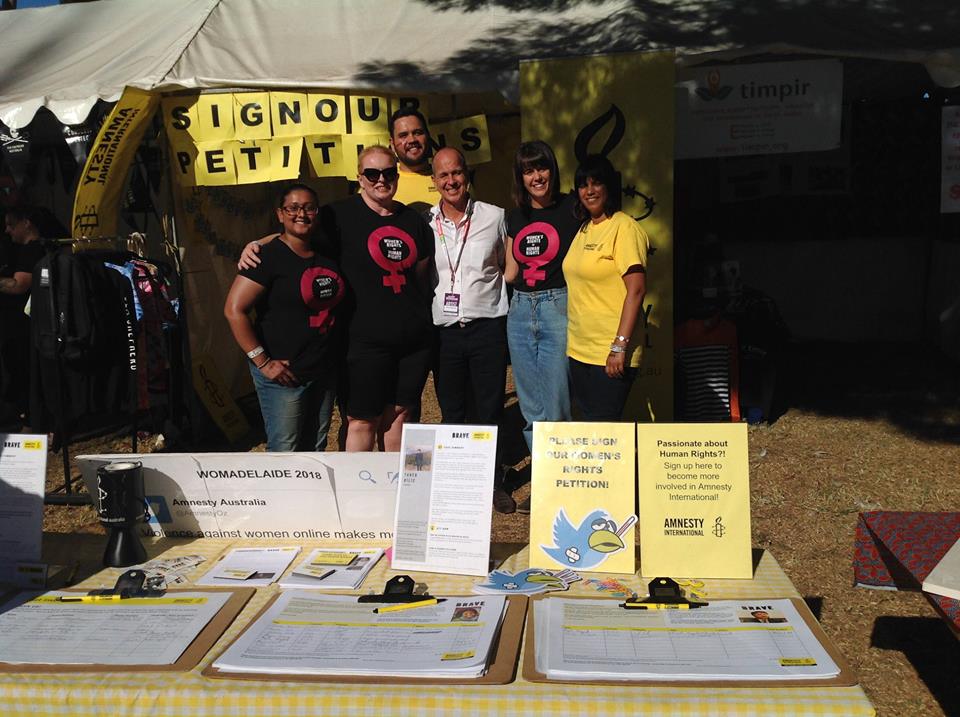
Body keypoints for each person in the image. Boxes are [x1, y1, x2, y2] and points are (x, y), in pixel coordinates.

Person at [325, 145, 434, 451]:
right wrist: (257, 242)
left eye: (388, 173)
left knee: (399, 414)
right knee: (361, 419)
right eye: (372, 174)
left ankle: (393, 491)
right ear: (360, 178)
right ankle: (358, 495)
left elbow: (422, 275)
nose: (381, 180)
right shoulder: (337, 215)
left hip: (411, 341)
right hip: (363, 341)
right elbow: (295, 232)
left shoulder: (412, 219)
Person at [224, 184, 345, 451]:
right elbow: (234, 310)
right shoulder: (265, 258)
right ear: (280, 214)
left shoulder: (326, 251)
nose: (301, 214)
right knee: (284, 451)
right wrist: (262, 361)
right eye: (293, 208)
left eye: (309, 208)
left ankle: (311, 495)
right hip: (284, 375)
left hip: (322, 370)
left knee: (315, 447)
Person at [427, 148, 512, 509]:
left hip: (487, 327)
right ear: (434, 180)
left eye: (457, 173)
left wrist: (493, 291)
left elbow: (511, 265)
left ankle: (493, 483)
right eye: (443, 175)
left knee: (490, 409)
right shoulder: (424, 222)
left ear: (467, 174)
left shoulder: (494, 216)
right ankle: (457, 482)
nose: (451, 181)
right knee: (453, 410)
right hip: (444, 332)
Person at [503, 141, 580, 459]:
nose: (536, 176)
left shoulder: (573, 208)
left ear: (553, 170)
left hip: (557, 307)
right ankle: (544, 480)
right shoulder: (514, 215)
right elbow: (509, 273)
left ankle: (564, 478)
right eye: (528, 170)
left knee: (557, 400)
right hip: (519, 310)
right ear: (520, 178)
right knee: (530, 404)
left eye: (542, 167)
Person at [562, 155, 649, 421]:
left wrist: (619, 347)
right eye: (583, 185)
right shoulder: (585, 228)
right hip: (579, 350)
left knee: (604, 427)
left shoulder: (624, 228)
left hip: (609, 352)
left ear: (609, 186)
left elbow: (636, 290)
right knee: (590, 423)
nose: (589, 191)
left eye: (596, 183)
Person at [0, 206, 50, 427]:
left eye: (11, 224)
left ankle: (31, 415)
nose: (8, 230)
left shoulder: (34, 250)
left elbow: (19, 285)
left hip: (26, 328)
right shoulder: (21, 251)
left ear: (26, 223)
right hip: (22, 327)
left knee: (24, 371)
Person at [388, 107, 438, 211]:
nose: (412, 140)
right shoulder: (381, 182)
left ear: (428, 136)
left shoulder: (450, 178)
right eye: (403, 135)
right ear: (392, 144)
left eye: (418, 133)